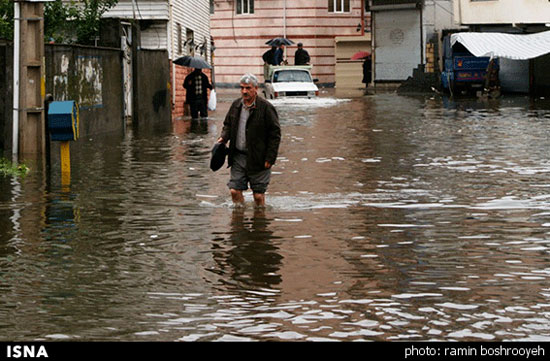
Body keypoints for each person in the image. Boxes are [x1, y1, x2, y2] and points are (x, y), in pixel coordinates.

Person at [217, 73, 281, 207]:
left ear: (256, 89)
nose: (244, 91)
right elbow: (228, 124)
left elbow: (275, 135)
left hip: (259, 158)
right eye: (242, 88)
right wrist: (223, 138)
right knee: (234, 191)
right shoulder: (236, 105)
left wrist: (270, 158)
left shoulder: (266, 108)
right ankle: (239, 222)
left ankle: (259, 222)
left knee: (258, 196)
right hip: (238, 156)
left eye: (248, 88)